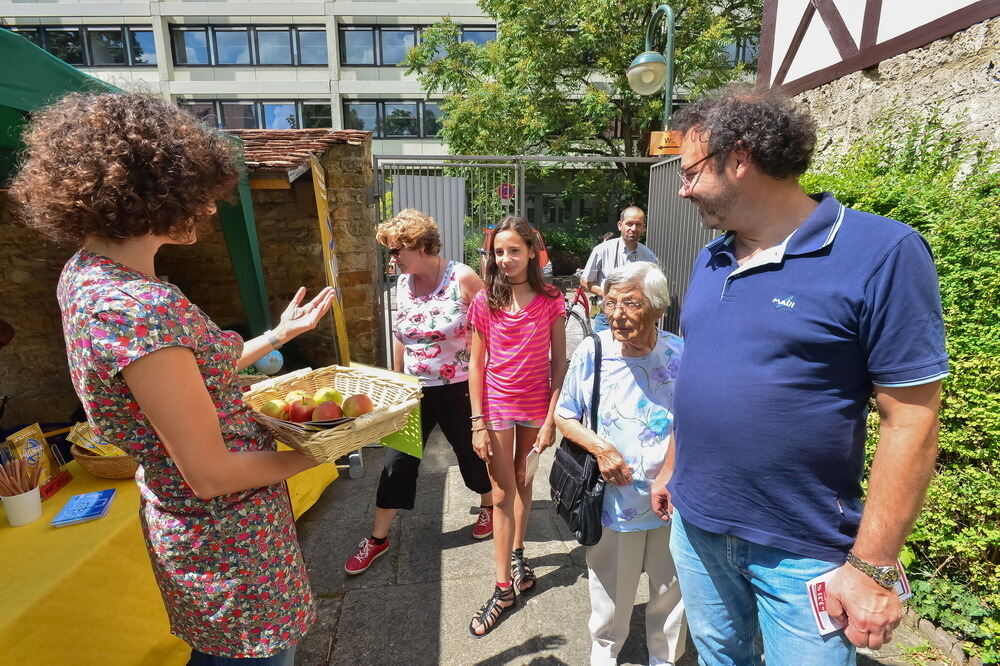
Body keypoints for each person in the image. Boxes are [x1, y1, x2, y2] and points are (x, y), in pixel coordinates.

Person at [11, 92, 337, 664]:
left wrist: (277, 335)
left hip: (199, 530)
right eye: (199, 196)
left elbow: (184, 372)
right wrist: (322, 450)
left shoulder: (87, 276)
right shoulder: (137, 306)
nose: (211, 211)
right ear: (151, 196)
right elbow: (212, 474)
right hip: (230, 543)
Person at [651, 87, 948, 665]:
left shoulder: (882, 252)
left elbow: (912, 416)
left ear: (739, 159)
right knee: (718, 658)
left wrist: (873, 565)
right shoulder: (712, 258)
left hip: (805, 552)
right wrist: (671, 464)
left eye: (689, 172)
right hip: (697, 527)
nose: (683, 190)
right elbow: (702, 373)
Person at [344, 209, 494, 575]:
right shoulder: (402, 283)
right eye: (391, 253)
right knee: (396, 463)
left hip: (459, 388)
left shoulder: (463, 278)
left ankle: (489, 506)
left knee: (471, 455)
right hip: (415, 392)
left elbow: (491, 331)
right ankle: (378, 538)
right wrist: (397, 383)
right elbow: (401, 337)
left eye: (396, 252)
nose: (391, 259)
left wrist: (486, 382)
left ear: (422, 247)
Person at [556, 262, 687, 666]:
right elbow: (564, 414)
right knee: (611, 592)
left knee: (671, 590)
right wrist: (602, 449)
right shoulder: (592, 351)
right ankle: (605, 653)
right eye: (609, 303)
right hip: (614, 500)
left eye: (630, 303)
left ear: (658, 308)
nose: (616, 314)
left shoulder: (681, 353)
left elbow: (695, 418)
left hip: (672, 498)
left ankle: (664, 657)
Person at [467, 215, 567, 637]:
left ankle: (519, 555)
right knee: (503, 492)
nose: (505, 259)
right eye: (498, 251)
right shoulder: (485, 302)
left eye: (514, 250)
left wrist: (550, 421)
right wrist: (476, 422)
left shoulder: (552, 301)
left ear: (531, 252)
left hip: (535, 408)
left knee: (525, 481)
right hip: (496, 409)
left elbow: (560, 364)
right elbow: (475, 364)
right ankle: (503, 588)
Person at [580, 207, 659, 332]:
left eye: (638, 225)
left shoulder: (649, 257)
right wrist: (607, 293)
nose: (633, 229)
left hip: (637, 318)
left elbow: (654, 289)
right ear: (620, 225)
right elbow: (585, 281)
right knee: (605, 352)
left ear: (643, 227)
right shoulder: (602, 251)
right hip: (607, 317)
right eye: (629, 224)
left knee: (633, 352)